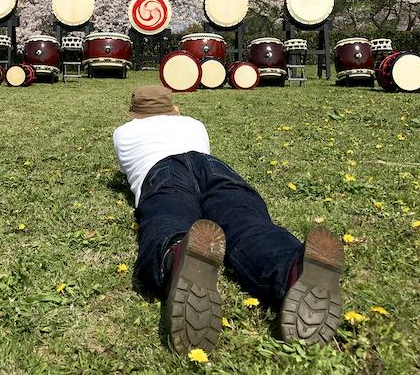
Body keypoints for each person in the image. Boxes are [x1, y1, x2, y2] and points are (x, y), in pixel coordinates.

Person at [113, 85, 344, 356]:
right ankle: (292, 267)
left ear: (135, 114)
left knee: (168, 214)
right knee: (246, 222)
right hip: (213, 167)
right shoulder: (193, 125)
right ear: (173, 108)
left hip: (163, 170)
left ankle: (175, 256)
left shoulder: (123, 133)